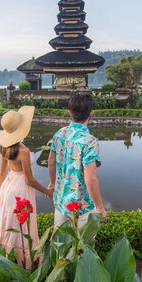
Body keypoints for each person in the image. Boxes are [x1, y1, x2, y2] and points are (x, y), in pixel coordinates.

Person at [0, 106, 53, 269]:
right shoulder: (24, 150)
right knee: (22, 226)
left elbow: (1, 173)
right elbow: (29, 179)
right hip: (21, 189)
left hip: (8, 187)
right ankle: (23, 266)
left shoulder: (4, 147)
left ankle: (4, 260)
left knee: (6, 222)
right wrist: (46, 191)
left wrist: (1, 193)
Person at [47, 93, 106, 229]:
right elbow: (90, 180)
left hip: (61, 201)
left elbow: (51, 161)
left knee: (60, 245)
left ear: (69, 112)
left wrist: (51, 183)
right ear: (91, 113)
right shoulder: (89, 142)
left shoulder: (60, 134)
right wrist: (100, 207)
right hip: (82, 206)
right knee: (84, 246)